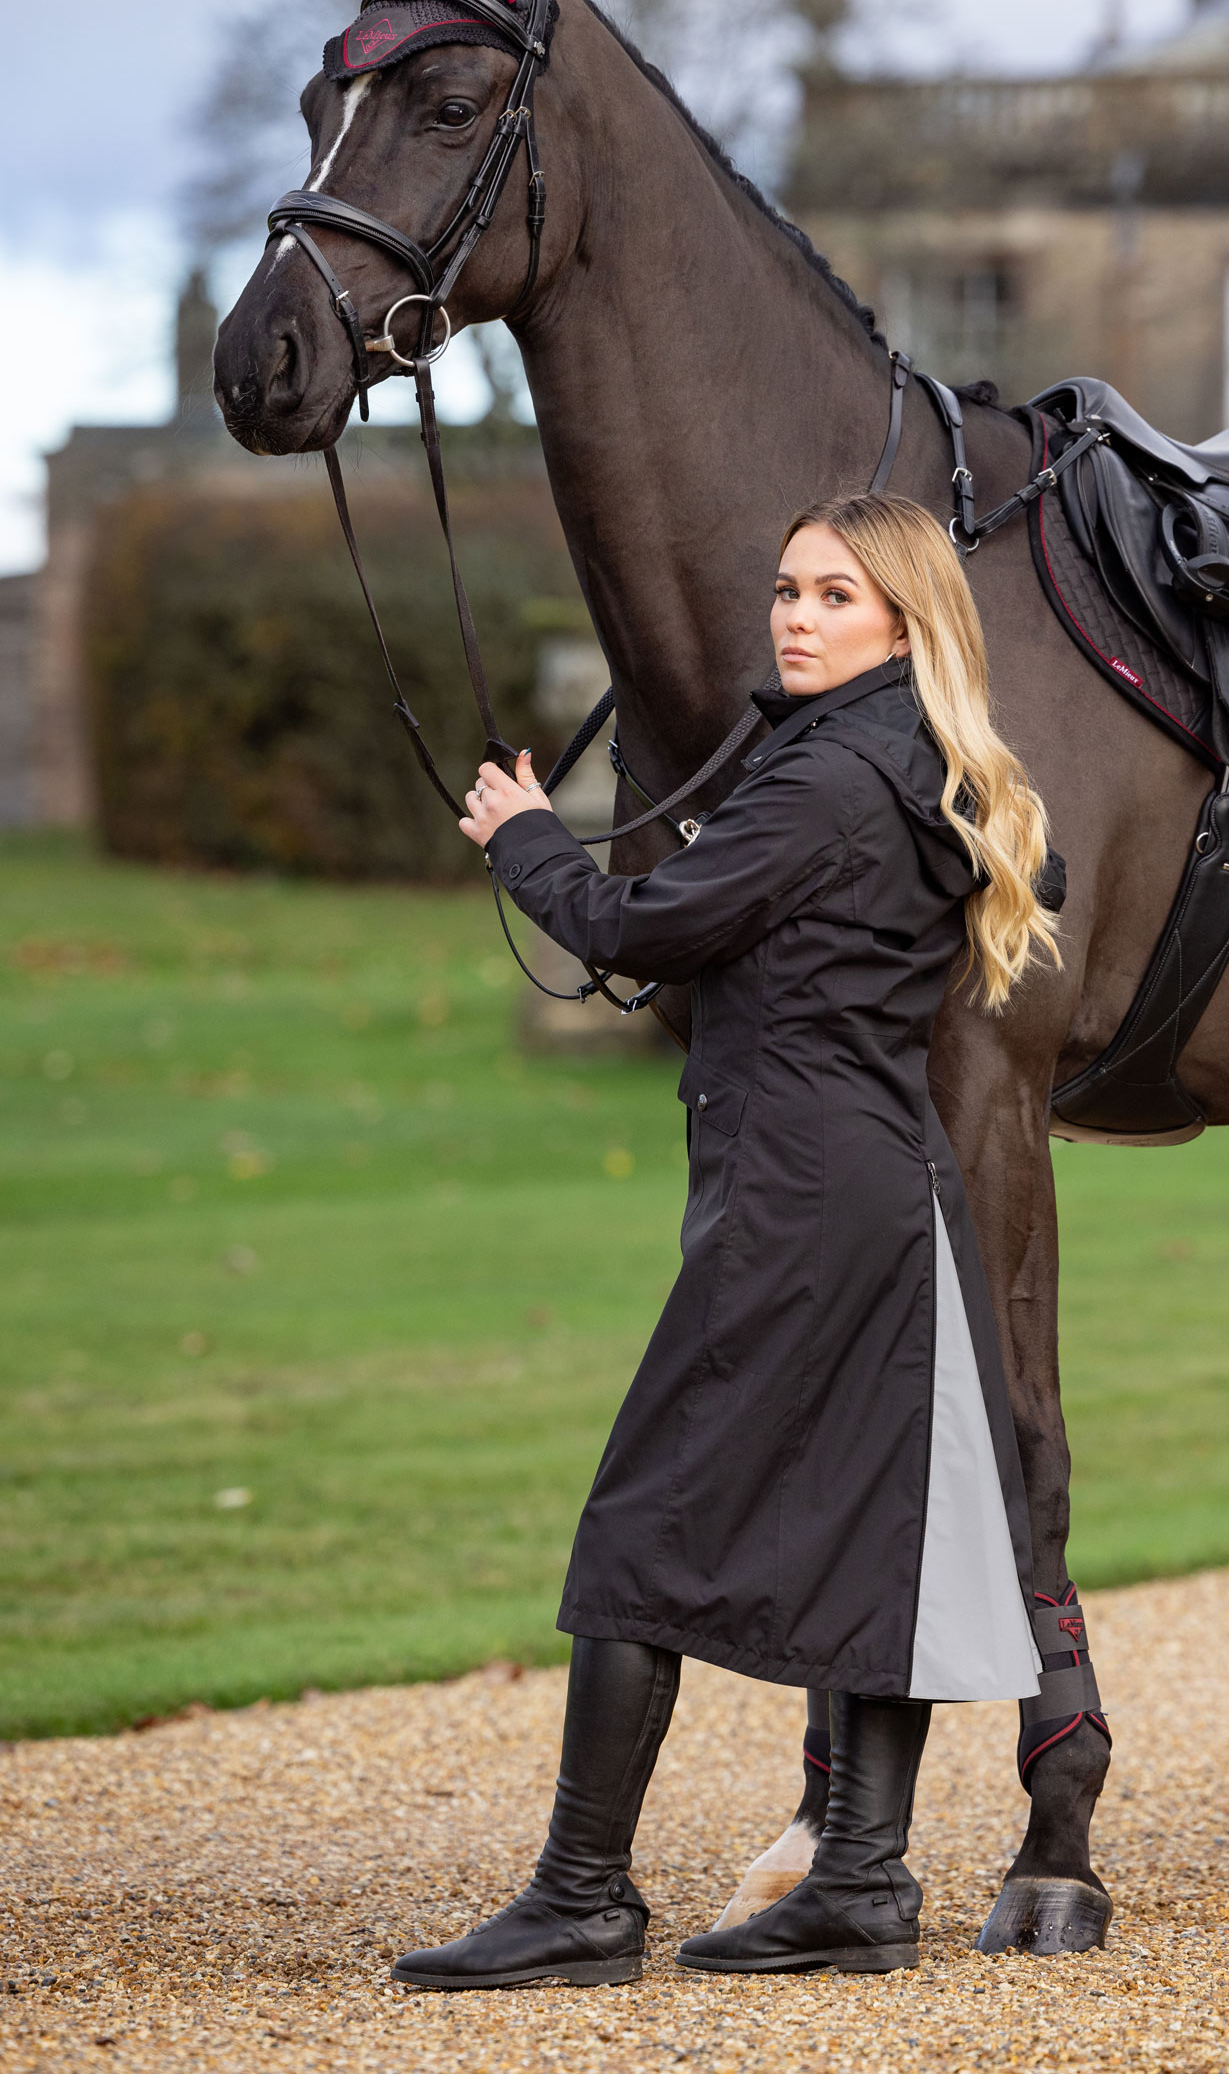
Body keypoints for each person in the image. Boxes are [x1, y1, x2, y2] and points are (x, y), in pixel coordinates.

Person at [392, 491, 1060, 1990]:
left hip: (799, 1198)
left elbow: (642, 930)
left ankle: (582, 1901)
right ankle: (862, 1888)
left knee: (644, 1521)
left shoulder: (831, 780)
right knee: (885, 1524)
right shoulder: (912, 761)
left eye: (834, 596)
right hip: (881, 1185)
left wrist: (520, 838)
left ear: (906, 619)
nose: (796, 618)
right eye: (787, 590)